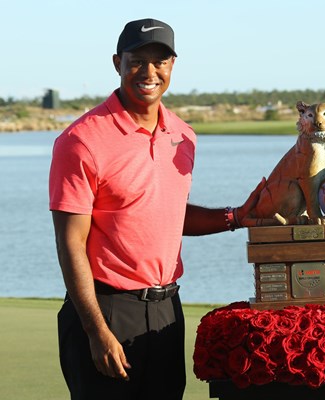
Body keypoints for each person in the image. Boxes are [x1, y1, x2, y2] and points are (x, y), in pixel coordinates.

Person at [49, 18, 264, 400]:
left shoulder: (182, 135)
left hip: (166, 309)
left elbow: (165, 214)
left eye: (159, 61)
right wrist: (96, 331)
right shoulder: (81, 141)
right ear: (117, 62)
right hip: (107, 309)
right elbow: (70, 244)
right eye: (137, 60)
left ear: (172, 66)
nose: (149, 72)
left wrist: (235, 217)